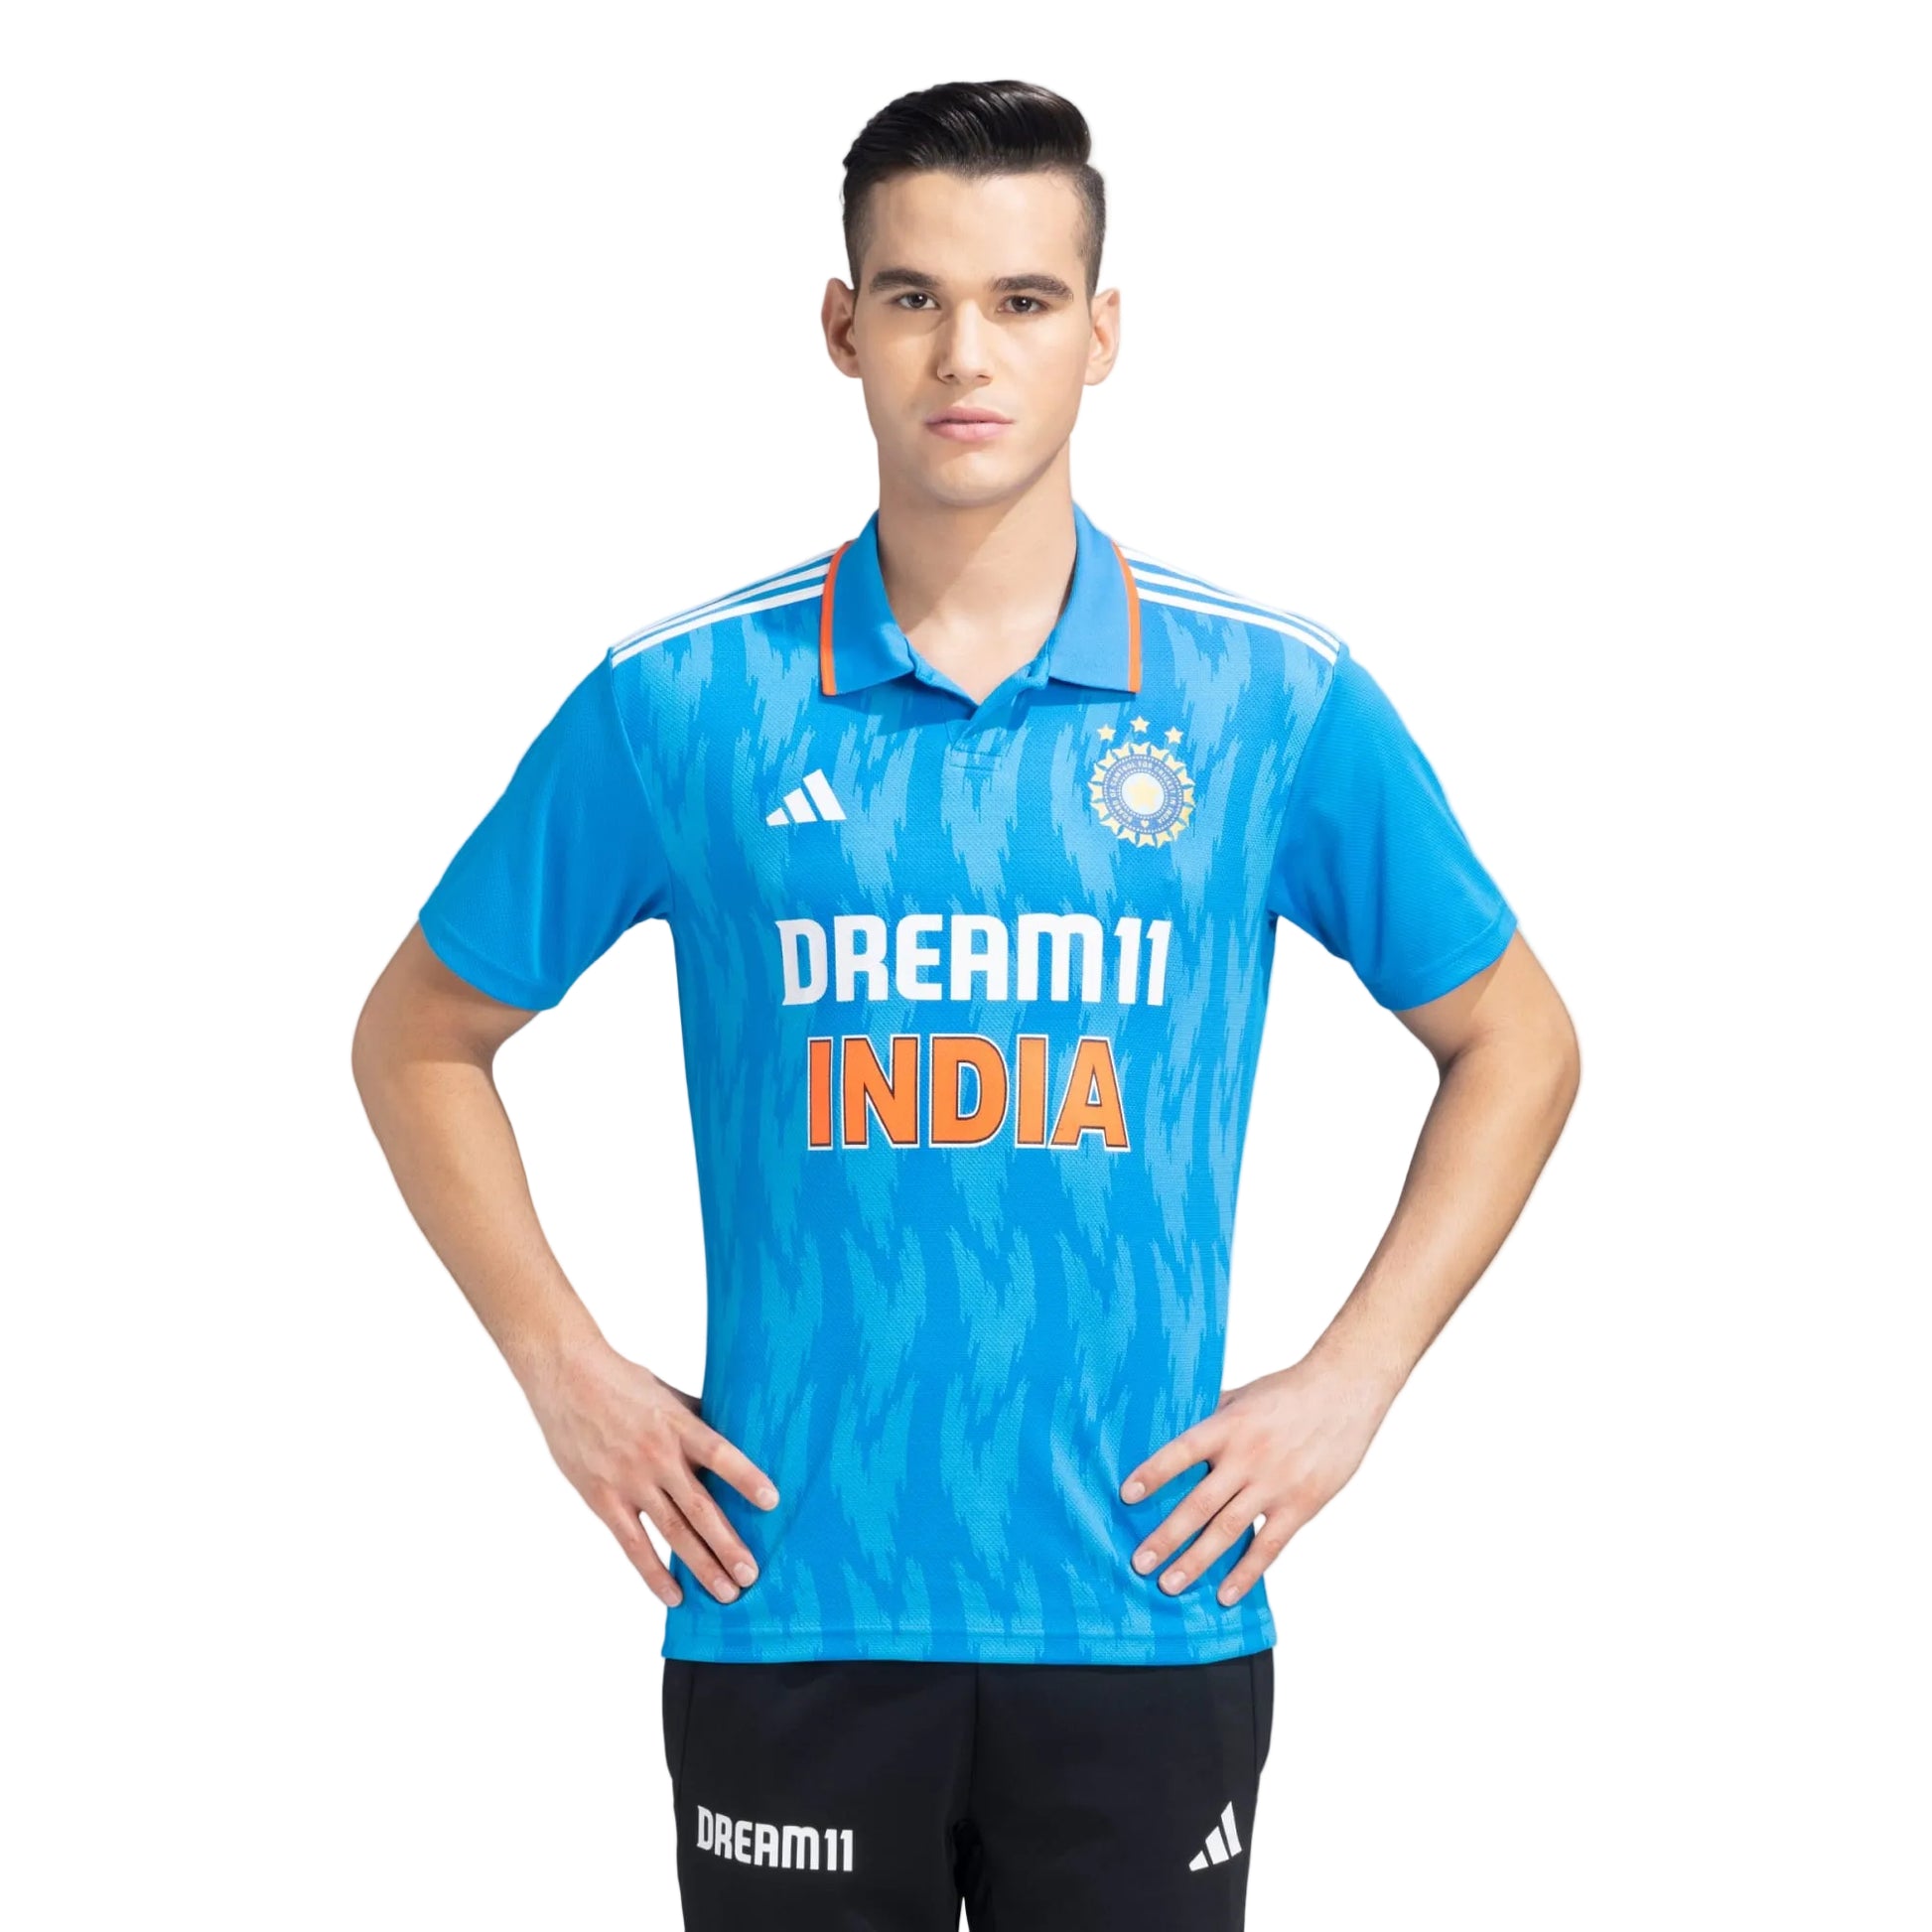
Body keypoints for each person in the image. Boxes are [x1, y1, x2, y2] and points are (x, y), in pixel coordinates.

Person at [352, 75, 1581, 1932]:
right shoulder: (685, 699)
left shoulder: (1266, 700)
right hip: (790, 1605)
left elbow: (1517, 1037)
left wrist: (1352, 1382)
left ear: (1104, 330)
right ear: (840, 326)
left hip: (1144, 1607)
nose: (965, 353)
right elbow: (418, 1034)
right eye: (914, 296)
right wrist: (561, 1370)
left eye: (1021, 299)